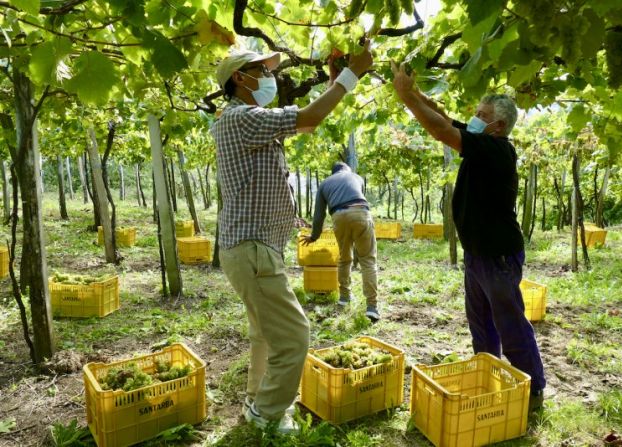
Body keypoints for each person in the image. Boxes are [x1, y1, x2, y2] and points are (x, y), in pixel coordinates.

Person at [211, 43, 373, 434]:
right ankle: (267, 414)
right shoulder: (240, 118)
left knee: (265, 334)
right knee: (296, 335)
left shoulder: (244, 121)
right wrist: (353, 75)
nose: (270, 78)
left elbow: (305, 124)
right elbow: (311, 116)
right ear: (240, 78)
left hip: (253, 247)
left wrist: (333, 82)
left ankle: (257, 401)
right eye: (262, 72)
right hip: (251, 248)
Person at [390, 62, 546, 410]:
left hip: (497, 253)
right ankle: (489, 375)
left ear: (499, 125)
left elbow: (441, 130)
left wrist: (404, 97)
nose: (474, 118)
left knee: (508, 322)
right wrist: (415, 91)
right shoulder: (481, 142)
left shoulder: (496, 151)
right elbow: (445, 117)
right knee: (481, 323)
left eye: (481, 114)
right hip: (478, 254)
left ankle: (533, 389)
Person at [300, 162, 380, 322]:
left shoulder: (325, 184)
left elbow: (319, 215)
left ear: (333, 172)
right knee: (368, 261)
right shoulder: (357, 177)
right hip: (361, 213)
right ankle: (372, 307)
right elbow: (358, 200)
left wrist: (314, 236)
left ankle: (344, 298)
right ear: (347, 170)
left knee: (344, 259)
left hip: (339, 216)